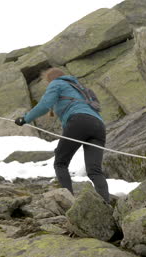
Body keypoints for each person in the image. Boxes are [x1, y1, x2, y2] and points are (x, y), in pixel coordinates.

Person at [14, 67, 109, 202]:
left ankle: (69, 202)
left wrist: (25, 119)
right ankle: (106, 204)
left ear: (50, 80)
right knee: (94, 171)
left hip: (79, 121)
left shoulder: (57, 83)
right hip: (98, 126)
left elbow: (45, 105)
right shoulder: (80, 88)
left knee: (60, 163)